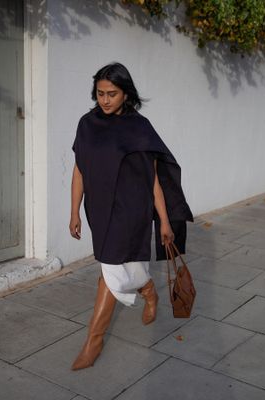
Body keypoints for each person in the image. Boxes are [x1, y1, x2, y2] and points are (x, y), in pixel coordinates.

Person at [69, 62, 193, 371]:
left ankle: (93, 343)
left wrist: (164, 221)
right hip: (99, 209)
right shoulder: (87, 124)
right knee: (129, 266)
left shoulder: (139, 128)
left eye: (112, 94)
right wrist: (74, 212)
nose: (105, 100)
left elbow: (152, 180)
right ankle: (149, 293)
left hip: (131, 211)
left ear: (127, 94)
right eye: (100, 93)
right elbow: (79, 169)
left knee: (110, 271)